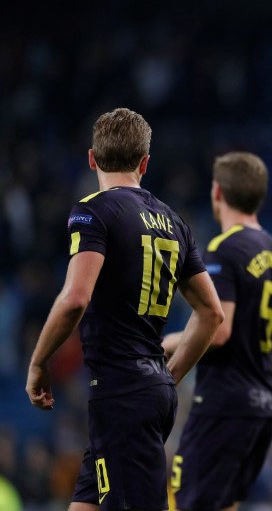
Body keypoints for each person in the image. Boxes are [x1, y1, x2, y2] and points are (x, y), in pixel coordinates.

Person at [25, 107, 225, 511]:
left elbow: (75, 299)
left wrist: (38, 362)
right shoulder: (174, 222)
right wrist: (170, 376)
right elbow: (211, 314)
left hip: (121, 395)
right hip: (142, 394)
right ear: (145, 163)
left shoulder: (93, 210)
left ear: (92, 158)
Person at [162, 152, 272, 511]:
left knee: (189, 503)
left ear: (217, 192)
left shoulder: (223, 249)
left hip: (223, 404)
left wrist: (167, 344)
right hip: (264, 410)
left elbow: (217, 327)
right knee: (225, 504)